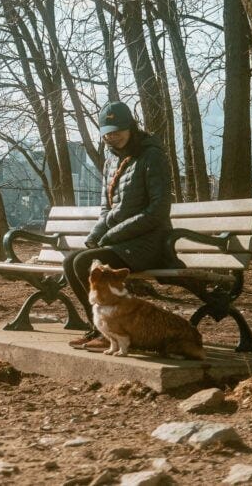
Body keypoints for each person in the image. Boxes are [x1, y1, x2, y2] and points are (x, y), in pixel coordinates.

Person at [66, 101, 174, 351]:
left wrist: (113, 234)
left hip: (150, 242)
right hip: (122, 242)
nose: (113, 138)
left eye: (118, 131)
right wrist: (96, 235)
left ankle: (107, 332)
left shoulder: (151, 156)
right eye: (107, 134)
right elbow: (107, 209)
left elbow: (158, 211)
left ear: (131, 127)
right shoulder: (110, 161)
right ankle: (100, 327)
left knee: (84, 263)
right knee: (71, 262)